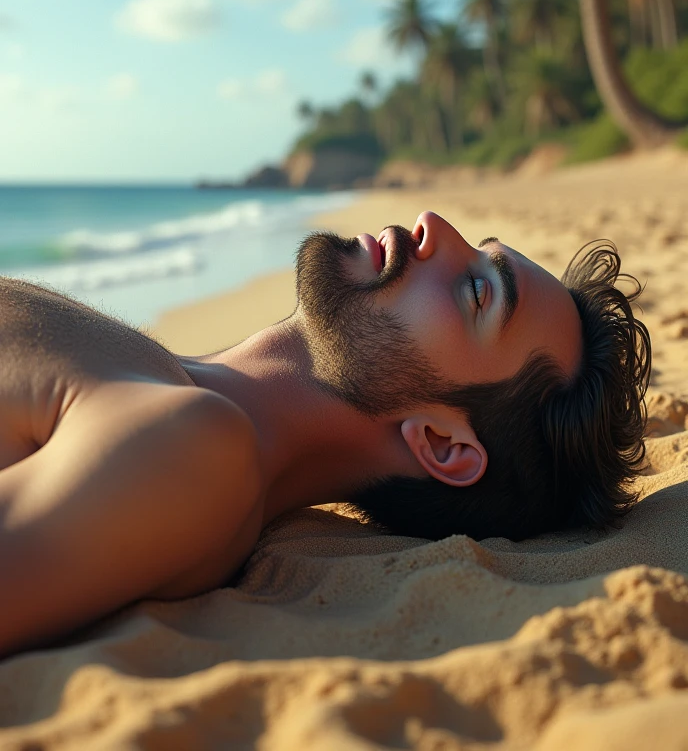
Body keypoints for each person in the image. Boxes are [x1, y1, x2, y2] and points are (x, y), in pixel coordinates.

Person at [0, 211, 650, 657]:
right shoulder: (166, 385)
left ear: (442, 444)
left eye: (477, 293)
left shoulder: (194, 451)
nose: (434, 228)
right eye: (477, 248)